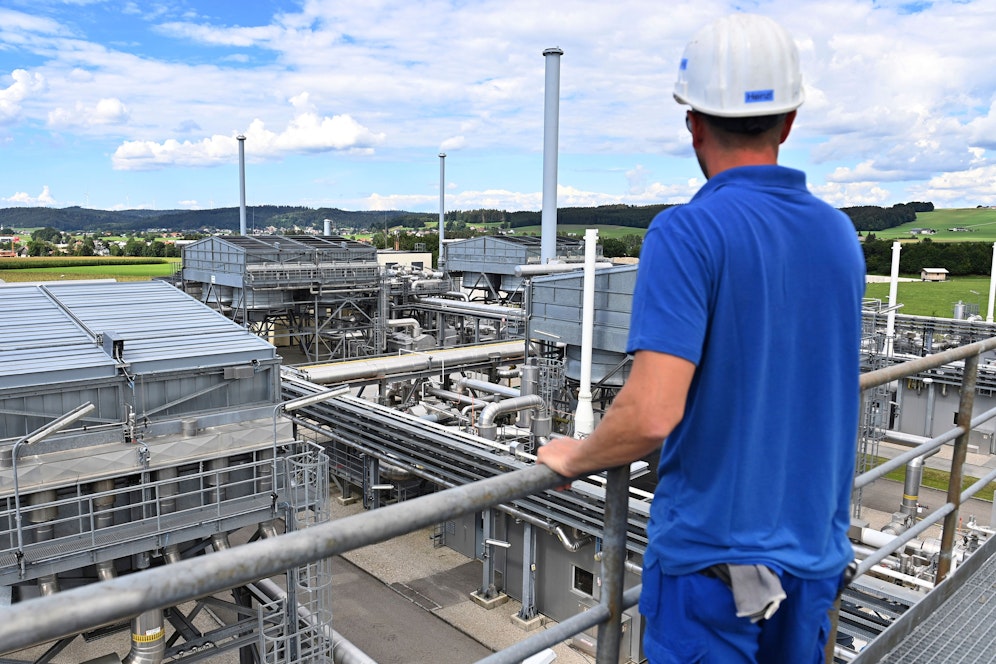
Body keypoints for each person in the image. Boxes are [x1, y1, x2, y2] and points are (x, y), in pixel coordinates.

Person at [536, 13, 865, 664]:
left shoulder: (687, 232)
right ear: (789, 122)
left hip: (716, 574)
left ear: (692, 123)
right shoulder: (839, 235)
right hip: (813, 564)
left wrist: (576, 457)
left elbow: (651, 412)